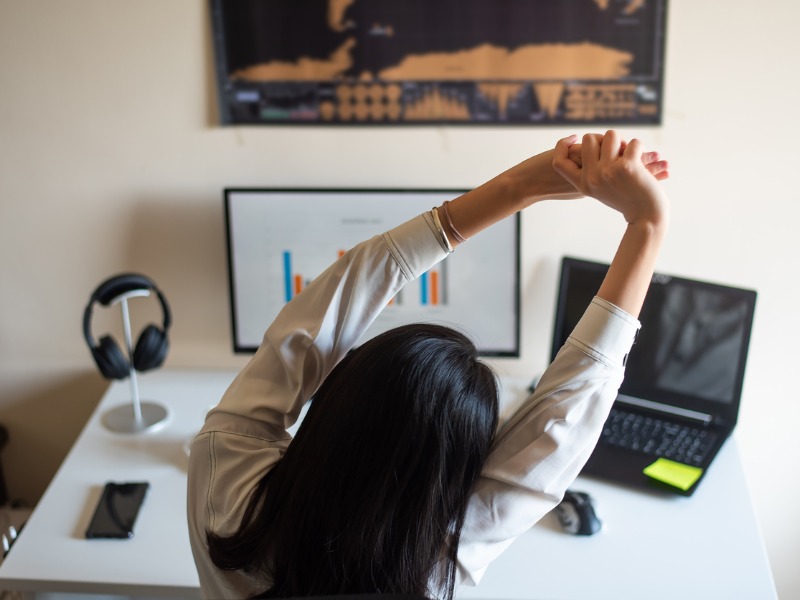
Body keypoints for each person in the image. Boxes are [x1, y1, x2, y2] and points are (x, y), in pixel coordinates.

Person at [187, 131, 670, 599]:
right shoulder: (437, 566)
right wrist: (645, 222)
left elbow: (315, 321)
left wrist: (520, 188)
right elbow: (559, 429)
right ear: (456, 475)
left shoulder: (224, 483)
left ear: (335, 400)